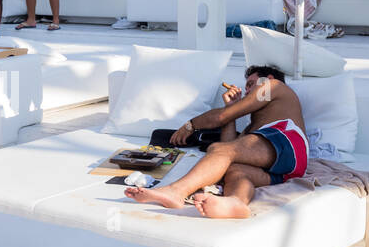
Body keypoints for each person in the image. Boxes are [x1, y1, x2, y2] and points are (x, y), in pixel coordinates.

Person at [124, 65, 306, 219]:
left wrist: (191, 125)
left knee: (223, 150)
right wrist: (230, 108)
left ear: (268, 78)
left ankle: (176, 192)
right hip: (286, 168)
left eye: (251, 84)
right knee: (235, 169)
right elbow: (227, 150)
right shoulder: (254, 127)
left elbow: (220, 118)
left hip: (288, 141)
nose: (248, 91)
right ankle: (237, 202)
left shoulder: (272, 86)